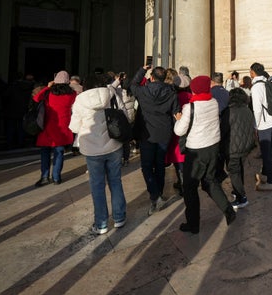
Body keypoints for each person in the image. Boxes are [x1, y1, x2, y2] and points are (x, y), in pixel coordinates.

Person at [68, 73, 129, 235]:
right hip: (114, 144)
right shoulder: (112, 94)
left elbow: (74, 127)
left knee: (97, 186)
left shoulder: (80, 100)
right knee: (115, 181)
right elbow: (125, 115)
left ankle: (101, 223)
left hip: (92, 149)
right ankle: (119, 217)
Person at [174, 75, 236, 234]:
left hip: (196, 150)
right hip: (212, 147)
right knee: (210, 181)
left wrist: (178, 119)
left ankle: (193, 224)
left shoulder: (190, 107)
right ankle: (228, 210)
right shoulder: (213, 102)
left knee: (190, 187)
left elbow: (179, 130)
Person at [130, 65, 180, 214]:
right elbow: (176, 112)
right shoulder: (171, 92)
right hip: (164, 133)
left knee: (146, 166)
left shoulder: (143, 91)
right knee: (159, 164)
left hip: (148, 134)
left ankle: (155, 194)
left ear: (152, 77)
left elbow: (132, 84)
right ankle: (158, 193)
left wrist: (142, 69)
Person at [33, 71, 77, 186]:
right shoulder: (72, 94)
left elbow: (36, 98)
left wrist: (47, 87)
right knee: (59, 152)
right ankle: (56, 177)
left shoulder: (49, 93)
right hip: (63, 127)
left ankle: (44, 176)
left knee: (45, 153)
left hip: (48, 126)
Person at [250, 62, 272, 191]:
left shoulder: (256, 88)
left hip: (265, 124)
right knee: (270, 151)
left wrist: (255, 126)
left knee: (266, 154)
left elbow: (257, 110)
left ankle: (271, 182)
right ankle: (266, 175)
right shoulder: (268, 83)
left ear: (252, 72)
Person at [226, 88, 257, 209]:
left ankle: (241, 197)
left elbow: (224, 129)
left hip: (233, 147)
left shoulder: (230, 111)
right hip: (245, 146)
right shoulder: (247, 109)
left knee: (234, 171)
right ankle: (237, 190)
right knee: (239, 169)